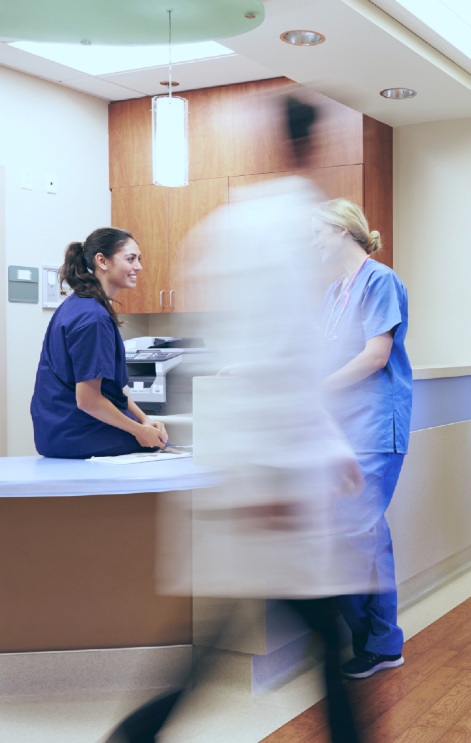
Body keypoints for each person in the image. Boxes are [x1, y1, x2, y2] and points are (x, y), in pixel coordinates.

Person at [108, 94, 367, 743]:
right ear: (311, 148)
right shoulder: (284, 233)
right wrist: (279, 477)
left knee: (230, 638)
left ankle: (135, 735)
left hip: (255, 470)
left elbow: (257, 356)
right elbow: (278, 358)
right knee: (319, 641)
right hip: (269, 477)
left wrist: (322, 449)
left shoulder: (226, 226)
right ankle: (134, 736)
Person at [312, 197, 412, 679]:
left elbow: (376, 355)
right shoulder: (335, 291)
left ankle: (378, 642)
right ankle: (374, 638)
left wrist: (319, 388)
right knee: (357, 534)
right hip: (342, 429)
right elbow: (312, 353)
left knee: (356, 534)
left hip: (374, 425)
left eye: (317, 232)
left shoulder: (381, 280)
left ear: (342, 230)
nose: (312, 242)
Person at [30, 228, 168, 458]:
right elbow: (89, 400)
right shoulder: (93, 318)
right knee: (159, 445)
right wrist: (140, 432)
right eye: (131, 259)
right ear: (102, 261)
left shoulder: (77, 305)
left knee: (155, 436)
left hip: (57, 431)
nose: (139, 267)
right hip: (78, 434)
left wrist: (145, 420)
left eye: (139, 259)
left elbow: (109, 386)